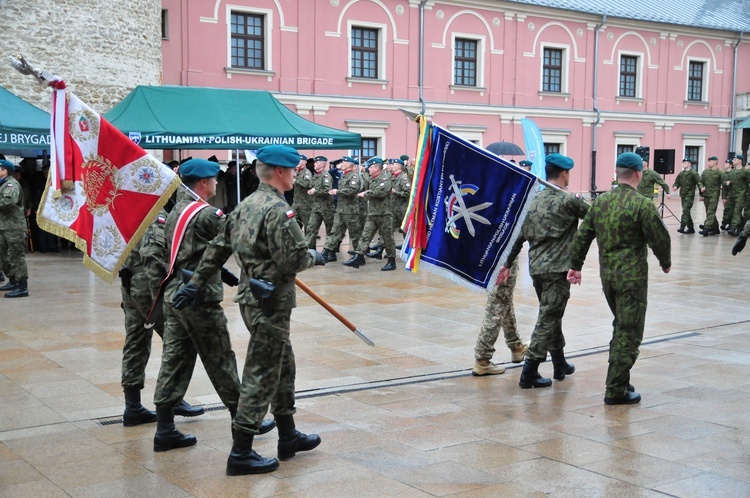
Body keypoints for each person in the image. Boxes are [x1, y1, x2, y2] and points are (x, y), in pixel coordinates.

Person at [174, 145, 326, 475]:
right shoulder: (277, 211)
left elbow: (217, 249)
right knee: (261, 372)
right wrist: (315, 256)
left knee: (282, 363)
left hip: (252, 298)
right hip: (271, 303)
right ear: (281, 173)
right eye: (294, 170)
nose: (297, 175)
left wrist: (194, 283)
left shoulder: (244, 206)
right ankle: (240, 452)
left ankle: (288, 435)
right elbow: (294, 259)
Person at [151, 158, 274, 453]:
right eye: (214, 179)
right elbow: (236, 237)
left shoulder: (176, 210)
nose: (217, 183)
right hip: (199, 299)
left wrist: (222, 272)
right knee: (221, 361)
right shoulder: (206, 214)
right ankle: (245, 421)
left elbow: (191, 251)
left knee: (174, 360)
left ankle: (165, 429)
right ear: (203, 184)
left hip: (175, 295)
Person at [567, 152, 671, 405]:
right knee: (629, 331)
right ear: (638, 174)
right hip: (631, 280)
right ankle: (615, 389)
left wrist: (575, 265)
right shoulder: (642, 204)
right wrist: (665, 261)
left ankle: (620, 378)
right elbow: (660, 237)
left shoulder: (601, 202)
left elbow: (583, 235)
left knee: (621, 325)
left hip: (609, 278)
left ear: (617, 173)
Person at [497, 154, 589, 388]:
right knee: (548, 317)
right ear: (565, 174)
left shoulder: (532, 201)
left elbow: (518, 236)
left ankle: (559, 363)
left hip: (537, 269)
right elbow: (596, 217)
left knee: (551, 314)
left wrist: (506, 263)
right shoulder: (568, 201)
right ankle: (530, 371)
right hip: (559, 270)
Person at [119, 210, 204, 426]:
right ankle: (172, 399)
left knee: (135, 343)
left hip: (130, 283)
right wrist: (161, 291)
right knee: (178, 341)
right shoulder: (152, 212)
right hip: (147, 288)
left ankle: (133, 406)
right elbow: (152, 254)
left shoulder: (129, 207)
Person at [473, 258, 529, 376]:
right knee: (496, 306)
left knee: (504, 301)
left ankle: (516, 346)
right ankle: (482, 359)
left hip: (499, 258)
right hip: (503, 260)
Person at [343, 159, 397, 271]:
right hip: (372, 213)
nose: (369, 169)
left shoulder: (385, 179)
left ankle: (392, 261)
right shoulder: (373, 179)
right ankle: (358, 257)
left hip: (384, 214)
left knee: (388, 239)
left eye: (371, 167)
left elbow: (381, 192)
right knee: (365, 235)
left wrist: (366, 193)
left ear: (377, 168)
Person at [322, 156, 363, 262]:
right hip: (340, 209)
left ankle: (360, 256)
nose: (341, 164)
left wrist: (337, 192)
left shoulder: (354, 177)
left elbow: (352, 190)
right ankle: (326, 252)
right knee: (334, 231)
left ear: (349, 165)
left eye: (344, 163)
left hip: (350, 211)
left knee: (354, 235)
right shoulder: (343, 176)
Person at [0, 160, 29, 298]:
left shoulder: (11, 185)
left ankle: (22, 286)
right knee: (3, 255)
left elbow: (8, 201)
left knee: (16, 256)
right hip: (4, 226)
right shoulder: (3, 184)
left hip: (14, 227)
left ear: (4, 171)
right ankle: (12, 279)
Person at [305, 156, 335, 249]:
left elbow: (328, 190)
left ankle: (330, 251)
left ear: (322, 165)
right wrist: (311, 191)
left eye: (316, 163)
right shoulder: (316, 175)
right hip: (316, 207)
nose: (314, 164)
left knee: (330, 230)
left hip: (326, 208)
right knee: (311, 228)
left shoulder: (326, 176)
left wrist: (315, 191)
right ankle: (309, 249)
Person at [672, 158, 701, 234]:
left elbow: (699, 182)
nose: (684, 164)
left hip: (690, 195)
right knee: (687, 212)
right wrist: (675, 186)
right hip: (683, 195)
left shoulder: (694, 173)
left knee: (685, 210)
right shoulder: (681, 174)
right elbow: (677, 182)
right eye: (683, 163)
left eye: (685, 163)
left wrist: (702, 191)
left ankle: (682, 227)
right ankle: (691, 228)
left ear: (689, 164)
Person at [698, 156, 724, 236]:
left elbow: (724, 182)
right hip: (706, 195)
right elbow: (700, 181)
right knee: (709, 212)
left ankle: (706, 228)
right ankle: (715, 228)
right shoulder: (705, 172)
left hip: (714, 195)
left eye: (710, 161)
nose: (708, 163)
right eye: (708, 161)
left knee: (710, 212)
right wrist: (701, 189)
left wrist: (723, 187)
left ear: (715, 162)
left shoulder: (720, 172)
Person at [291, 154, 313, 233]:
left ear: (304, 162)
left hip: (305, 204)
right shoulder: (296, 171)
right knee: (290, 219)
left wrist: (296, 181)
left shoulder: (307, 173)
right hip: (296, 202)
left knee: (307, 224)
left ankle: (309, 243)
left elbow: (307, 184)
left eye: (299, 161)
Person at [727, 155, 748, 236]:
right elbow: (726, 179)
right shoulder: (732, 171)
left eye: (735, 159)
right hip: (732, 195)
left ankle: (733, 228)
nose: (733, 161)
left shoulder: (745, 171)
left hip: (741, 195)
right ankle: (741, 227)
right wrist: (726, 182)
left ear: (740, 161)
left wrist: (747, 192)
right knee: (732, 212)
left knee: (737, 211)